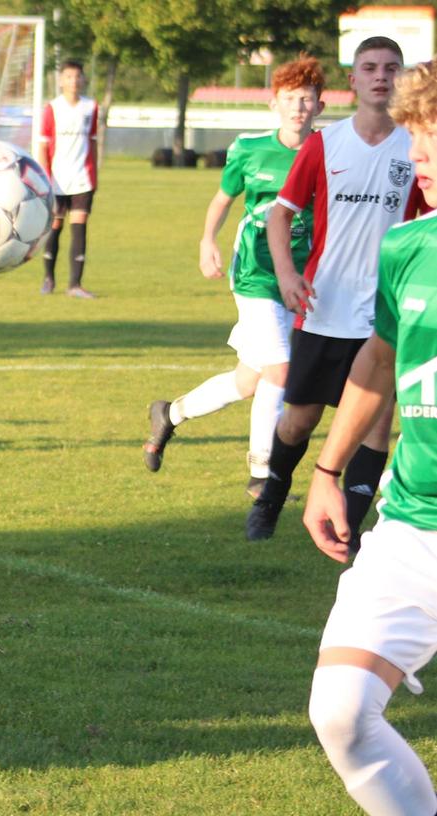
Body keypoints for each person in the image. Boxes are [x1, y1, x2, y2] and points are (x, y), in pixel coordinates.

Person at [301, 60, 437, 816]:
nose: (413, 156)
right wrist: (327, 468)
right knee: (342, 711)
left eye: (428, 138)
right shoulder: (408, 246)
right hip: (414, 527)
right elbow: (379, 359)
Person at [246, 36, 424, 542]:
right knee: (297, 422)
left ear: (401, 76)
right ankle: (271, 500)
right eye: (369, 67)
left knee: (375, 426)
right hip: (324, 308)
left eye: (391, 67)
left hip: (384, 313)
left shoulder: (414, 149)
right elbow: (281, 215)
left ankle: (345, 530)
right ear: (353, 79)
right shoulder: (326, 143)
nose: (381, 76)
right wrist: (286, 274)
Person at [144, 57, 325, 498]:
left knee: (249, 380)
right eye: (289, 99)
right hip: (256, 273)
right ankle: (262, 471)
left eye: (306, 99)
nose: (298, 107)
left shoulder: (330, 149)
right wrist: (208, 239)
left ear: (320, 105)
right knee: (281, 368)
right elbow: (223, 199)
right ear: (273, 104)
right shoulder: (249, 149)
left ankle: (170, 414)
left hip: (305, 276)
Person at [37, 59, 98, 298]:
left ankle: (75, 284)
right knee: (55, 228)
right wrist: (44, 177)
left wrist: (96, 176)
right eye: (69, 77)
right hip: (57, 180)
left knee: (79, 229)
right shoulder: (52, 108)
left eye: (78, 76)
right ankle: (48, 279)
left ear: (83, 79)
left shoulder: (91, 107)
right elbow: (43, 146)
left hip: (82, 179)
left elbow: (92, 142)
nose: (74, 81)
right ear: (61, 81)